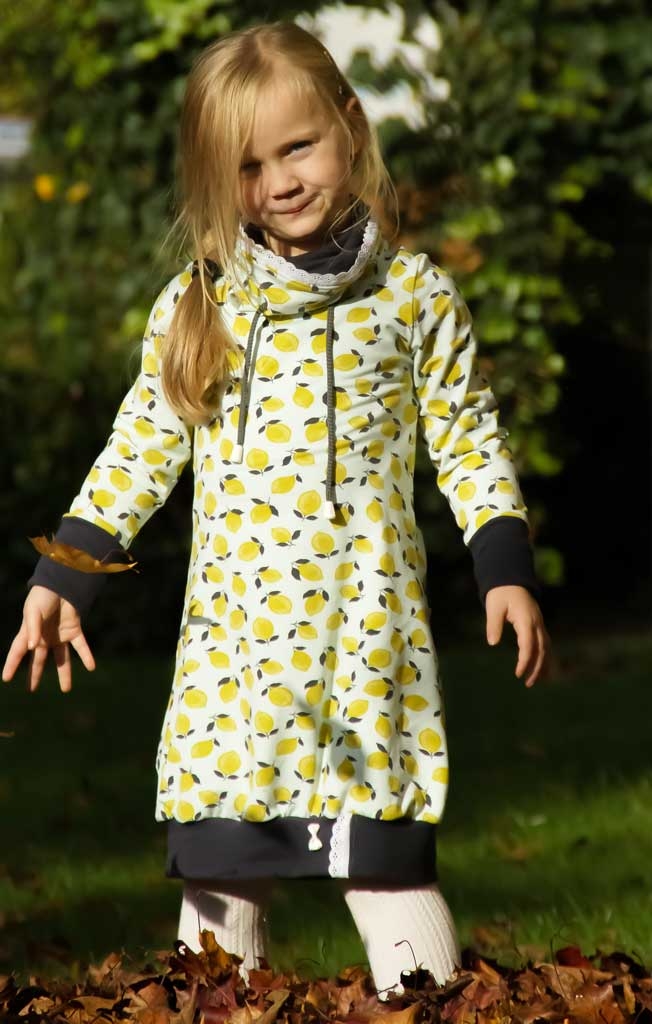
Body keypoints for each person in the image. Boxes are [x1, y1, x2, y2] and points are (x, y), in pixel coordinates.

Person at [2, 21, 549, 997]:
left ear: (350, 124)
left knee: (385, 868)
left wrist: (503, 567)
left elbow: (468, 439)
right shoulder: (200, 309)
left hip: (366, 650)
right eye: (248, 166)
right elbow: (140, 448)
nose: (279, 182)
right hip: (236, 664)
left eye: (297, 147)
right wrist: (65, 571)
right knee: (220, 876)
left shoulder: (413, 299)